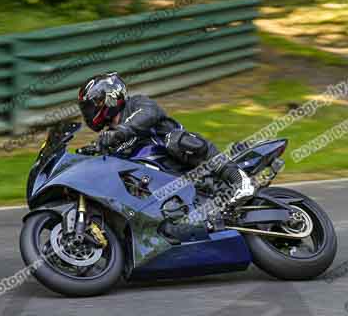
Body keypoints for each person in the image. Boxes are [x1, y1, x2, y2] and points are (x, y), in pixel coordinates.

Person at [77, 72, 254, 221]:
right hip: (162, 183)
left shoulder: (137, 104)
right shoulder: (109, 137)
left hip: (184, 162)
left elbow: (150, 113)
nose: (89, 112)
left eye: (93, 105)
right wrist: (91, 151)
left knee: (176, 140)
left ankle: (238, 179)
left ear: (110, 97)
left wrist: (122, 131)